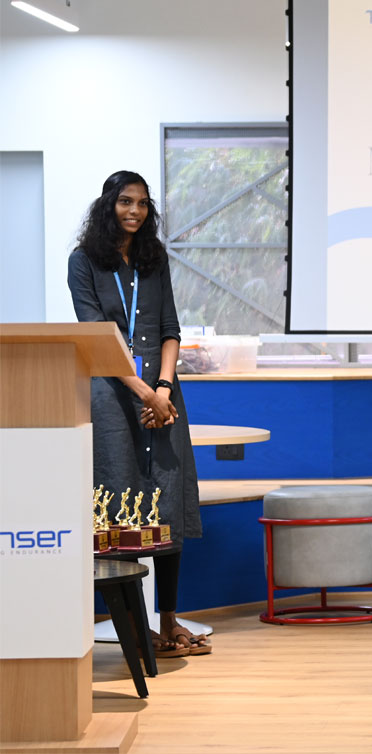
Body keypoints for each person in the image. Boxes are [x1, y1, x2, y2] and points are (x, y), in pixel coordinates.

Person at [68, 171, 209, 658]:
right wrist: (145, 394)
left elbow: (170, 328)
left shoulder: (153, 258)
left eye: (143, 203)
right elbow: (95, 332)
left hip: (162, 391)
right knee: (119, 500)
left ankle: (169, 620)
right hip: (112, 390)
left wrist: (163, 389)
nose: (135, 211)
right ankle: (133, 626)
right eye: (126, 201)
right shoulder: (83, 260)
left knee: (166, 499)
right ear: (108, 205)